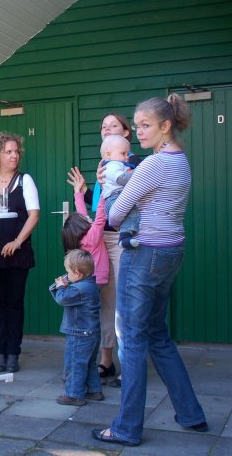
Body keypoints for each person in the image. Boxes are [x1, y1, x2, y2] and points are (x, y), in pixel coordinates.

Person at [92, 94, 208, 447]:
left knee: (131, 340)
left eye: (145, 126)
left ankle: (127, 427)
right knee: (157, 334)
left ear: (165, 125)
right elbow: (145, 193)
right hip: (172, 251)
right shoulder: (179, 161)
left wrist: (110, 183)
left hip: (144, 254)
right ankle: (191, 415)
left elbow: (113, 216)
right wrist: (127, 181)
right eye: (137, 125)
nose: (137, 133)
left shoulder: (153, 166)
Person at [67, 113, 141, 387]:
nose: (107, 128)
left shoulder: (133, 163)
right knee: (106, 301)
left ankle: (129, 365)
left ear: (126, 132)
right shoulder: (104, 164)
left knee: (125, 303)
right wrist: (86, 190)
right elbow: (103, 203)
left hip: (125, 237)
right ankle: (107, 360)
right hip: (103, 240)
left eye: (113, 125)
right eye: (103, 126)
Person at [0, 132, 39, 373]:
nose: (14, 155)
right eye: (8, 151)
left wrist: (17, 242)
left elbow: (34, 214)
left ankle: (13, 353)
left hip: (18, 253)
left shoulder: (25, 181)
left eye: (16, 152)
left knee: (14, 303)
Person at [49, 249, 103, 406]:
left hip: (79, 333)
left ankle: (74, 394)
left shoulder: (78, 289)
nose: (67, 275)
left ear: (78, 273)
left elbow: (61, 299)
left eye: (68, 272)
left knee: (75, 363)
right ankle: (94, 390)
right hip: (93, 333)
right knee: (89, 362)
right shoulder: (91, 285)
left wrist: (60, 286)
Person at [100, 135, 140, 248]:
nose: (127, 157)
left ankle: (125, 238)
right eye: (123, 154)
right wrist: (139, 171)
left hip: (115, 198)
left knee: (132, 214)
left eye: (128, 154)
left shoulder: (120, 164)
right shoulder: (111, 165)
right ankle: (125, 237)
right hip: (114, 198)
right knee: (133, 210)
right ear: (108, 154)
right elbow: (121, 179)